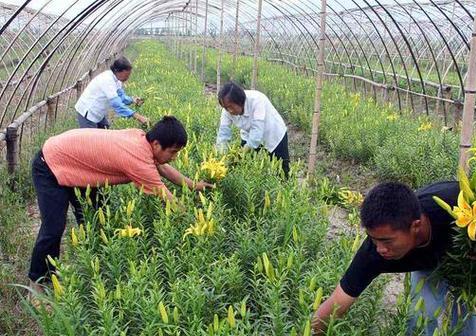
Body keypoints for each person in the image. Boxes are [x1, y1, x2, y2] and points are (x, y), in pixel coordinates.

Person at [28, 116, 213, 292]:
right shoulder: (137, 158)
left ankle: (94, 271)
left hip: (79, 164)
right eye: (173, 152)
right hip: (51, 162)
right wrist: (198, 223)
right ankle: (37, 285)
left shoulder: (142, 139)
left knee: (95, 220)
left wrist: (195, 185)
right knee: (53, 228)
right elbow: (168, 200)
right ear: (156, 144)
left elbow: (162, 167)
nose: (174, 157)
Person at [312, 181, 476, 335]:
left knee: (470, 325)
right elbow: (338, 302)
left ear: (416, 226)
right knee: (419, 316)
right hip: (428, 264)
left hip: (472, 262)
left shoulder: (457, 205)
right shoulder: (374, 253)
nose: (380, 249)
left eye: (386, 241)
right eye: (374, 240)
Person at [215, 81, 290, 177]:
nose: (229, 110)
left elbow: (256, 133)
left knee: (282, 169)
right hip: (248, 135)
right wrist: (222, 157)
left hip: (273, 135)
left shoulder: (256, 100)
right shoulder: (226, 111)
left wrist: (242, 153)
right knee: (245, 167)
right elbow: (223, 135)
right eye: (225, 108)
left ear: (239, 101)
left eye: (230, 107)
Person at [75, 56, 148, 129]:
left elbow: (121, 97)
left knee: (105, 132)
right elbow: (116, 104)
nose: (128, 77)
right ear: (118, 71)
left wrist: (133, 100)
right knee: (92, 139)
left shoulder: (117, 80)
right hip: (88, 112)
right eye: (126, 75)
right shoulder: (107, 80)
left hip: (99, 112)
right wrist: (138, 116)